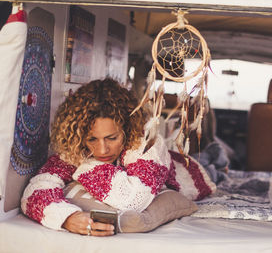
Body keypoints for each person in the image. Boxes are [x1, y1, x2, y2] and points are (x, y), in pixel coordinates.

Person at [20, 78, 183, 236]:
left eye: (112, 138)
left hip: (186, 170)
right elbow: (34, 192)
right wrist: (68, 218)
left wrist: (86, 166)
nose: (102, 150)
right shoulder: (77, 147)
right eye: (92, 139)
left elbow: (133, 200)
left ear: (127, 128)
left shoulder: (148, 143)